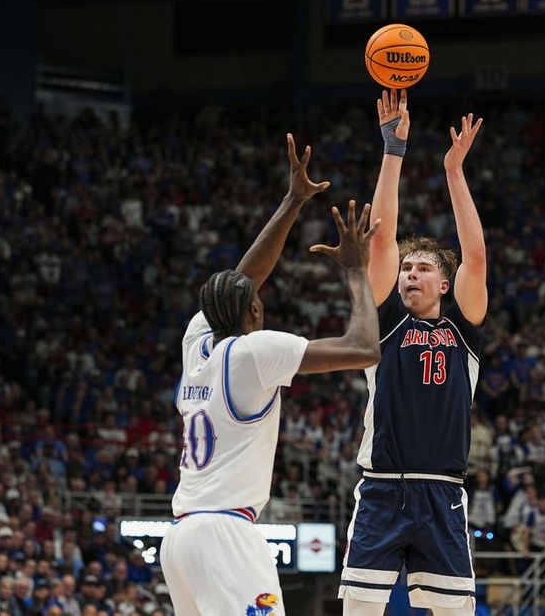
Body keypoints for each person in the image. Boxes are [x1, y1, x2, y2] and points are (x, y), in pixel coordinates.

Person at [159, 134, 383, 616]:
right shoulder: (253, 352)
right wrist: (357, 271)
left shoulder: (197, 338)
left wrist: (293, 201)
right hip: (225, 535)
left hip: (180, 538)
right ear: (254, 313)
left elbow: (241, 281)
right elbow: (365, 348)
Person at [338, 89, 488, 616]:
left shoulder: (464, 326)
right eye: (407, 269)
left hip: (442, 493)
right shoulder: (386, 320)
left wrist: (454, 171)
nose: (410, 273)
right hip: (381, 489)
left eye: (423, 268)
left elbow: (475, 253)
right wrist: (393, 151)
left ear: (445, 284)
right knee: (358, 610)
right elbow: (381, 240)